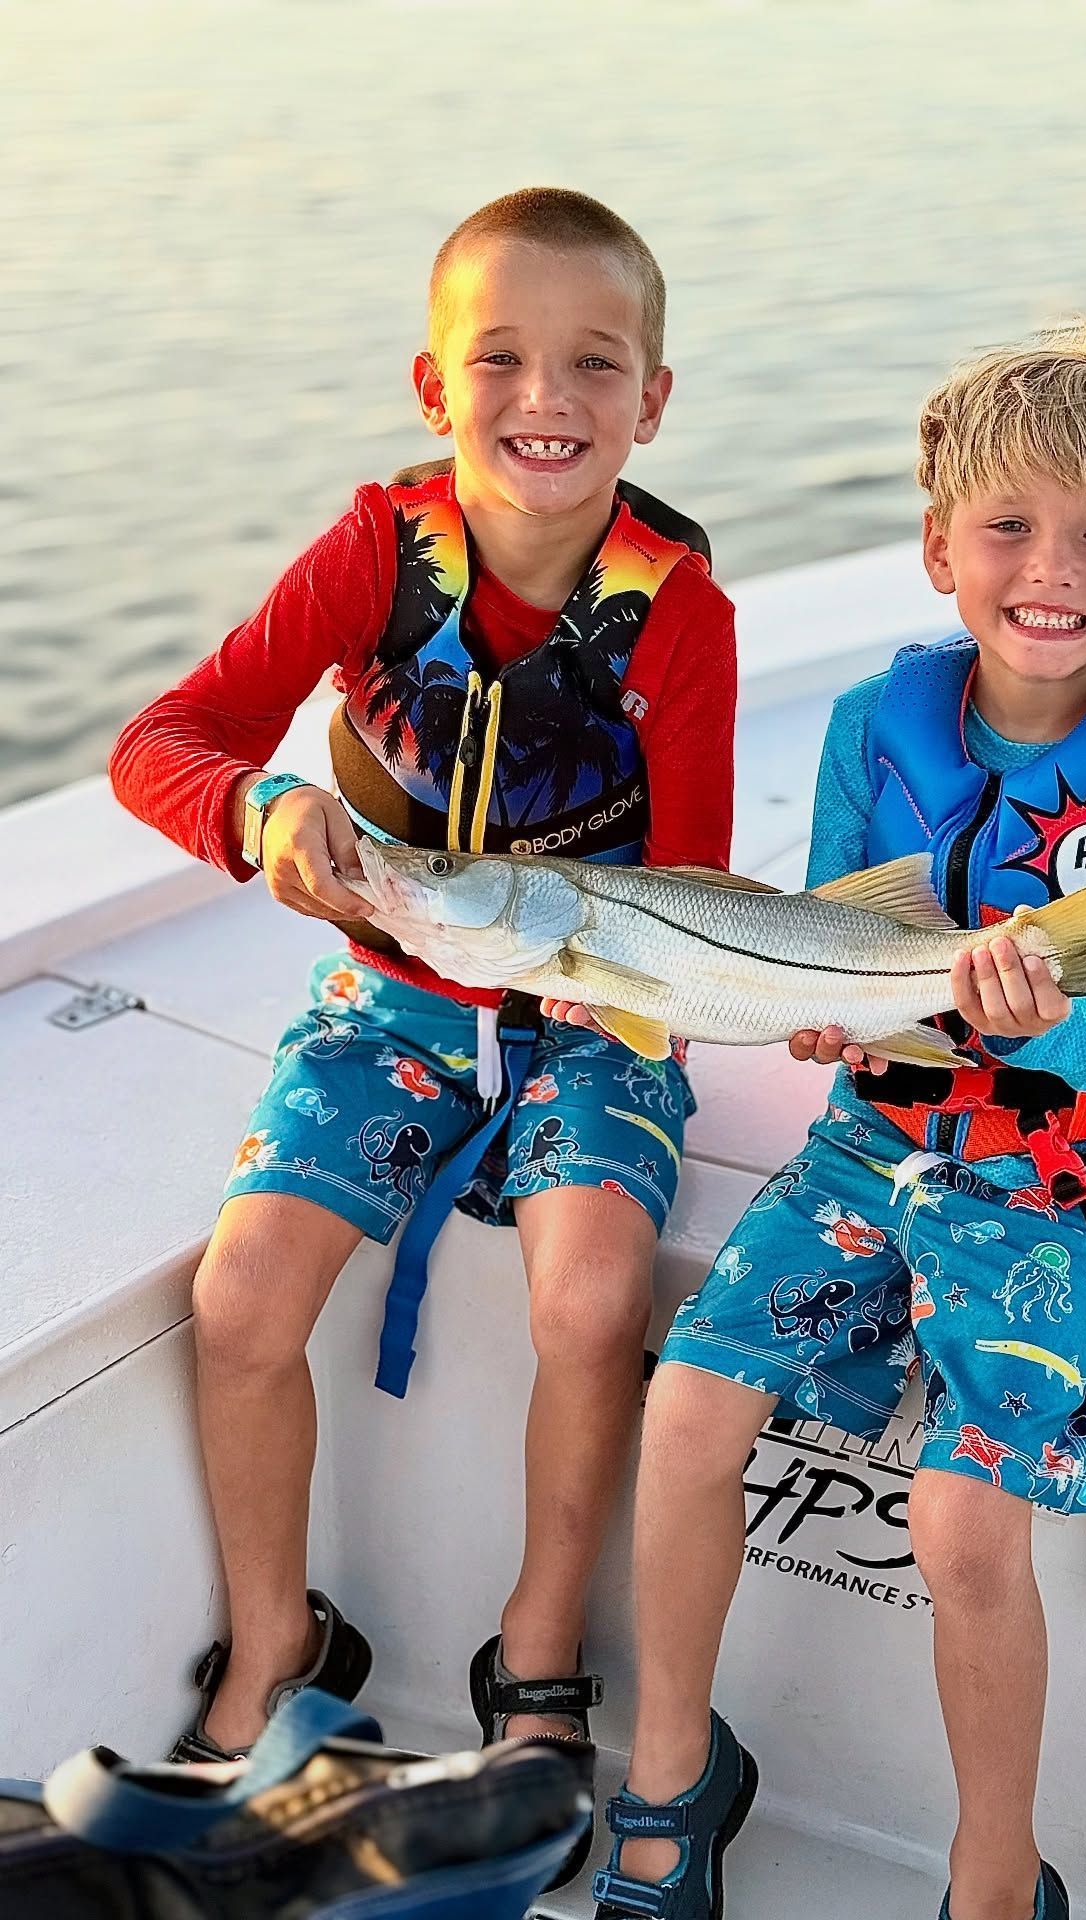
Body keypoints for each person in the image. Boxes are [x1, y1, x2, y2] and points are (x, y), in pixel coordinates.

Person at [109, 188, 736, 1894]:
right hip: (394, 988)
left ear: (653, 401)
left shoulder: (679, 612)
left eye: (595, 362)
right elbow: (159, 743)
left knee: (593, 1294)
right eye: (504, 359)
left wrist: (785, 1005)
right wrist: (263, 805)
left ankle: (535, 1671)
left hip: (599, 1014)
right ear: (432, 385)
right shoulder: (370, 555)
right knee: (238, 1300)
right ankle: (274, 1655)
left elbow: (689, 892)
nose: (550, 394)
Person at [590, 324, 1086, 1920]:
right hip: (876, 1131)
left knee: (961, 1525)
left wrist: (1045, 1018)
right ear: (939, 543)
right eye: (1010, 527)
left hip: (1066, 1160)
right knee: (683, 1409)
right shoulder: (873, 728)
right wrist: (825, 1014)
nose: (1054, 571)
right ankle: (674, 1768)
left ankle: (995, 1871)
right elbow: (826, 941)